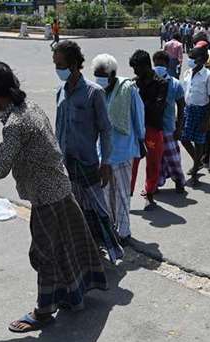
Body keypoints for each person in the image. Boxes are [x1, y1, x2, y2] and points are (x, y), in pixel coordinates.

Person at [0, 61, 108, 333]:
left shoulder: (15, 123)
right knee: (66, 247)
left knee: (44, 255)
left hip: (46, 198)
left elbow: (1, 168)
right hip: (60, 189)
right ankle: (73, 295)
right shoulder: (29, 109)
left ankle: (43, 311)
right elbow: (7, 151)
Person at [52, 41, 123, 263]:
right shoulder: (60, 92)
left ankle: (113, 250)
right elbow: (58, 128)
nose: (57, 69)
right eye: (55, 64)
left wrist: (107, 163)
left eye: (60, 64)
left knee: (99, 210)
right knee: (73, 210)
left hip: (88, 163)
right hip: (65, 164)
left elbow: (106, 130)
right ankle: (83, 250)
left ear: (73, 65)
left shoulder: (94, 93)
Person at [91, 54, 145, 244]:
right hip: (102, 152)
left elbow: (138, 115)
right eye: (96, 75)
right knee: (105, 193)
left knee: (122, 193)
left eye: (102, 75)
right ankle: (109, 227)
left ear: (113, 74)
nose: (99, 79)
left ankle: (124, 232)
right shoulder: (96, 90)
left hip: (123, 149)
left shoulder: (128, 89)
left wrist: (141, 139)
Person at [129, 49, 168, 210]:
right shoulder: (134, 82)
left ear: (145, 65)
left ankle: (150, 193)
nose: (135, 72)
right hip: (136, 128)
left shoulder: (161, 83)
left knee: (153, 163)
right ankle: (127, 193)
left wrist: (139, 106)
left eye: (136, 68)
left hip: (152, 127)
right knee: (132, 162)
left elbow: (158, 107)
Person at [152, 50, 187, 193]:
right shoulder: (148, 83)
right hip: (153, 128)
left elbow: (181, 105)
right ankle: (155, 183)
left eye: (161, 64)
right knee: (155, 159)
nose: (158, 66)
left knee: (173, 158)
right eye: (156, 64)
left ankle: (179, 181)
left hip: (168, 127)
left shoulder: (175, 84)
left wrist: (179, 128)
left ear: (167, 65)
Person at [180, 47, 210, 176]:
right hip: (188, 109)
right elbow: (185, 92)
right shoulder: (187, 73)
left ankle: (195, 170)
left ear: (201, 60)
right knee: (184, 138)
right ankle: (198, 161)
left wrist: (206, 120)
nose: (189, 60)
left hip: (202, 111)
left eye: (192, 57)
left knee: (199, 141)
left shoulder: (209, 76)